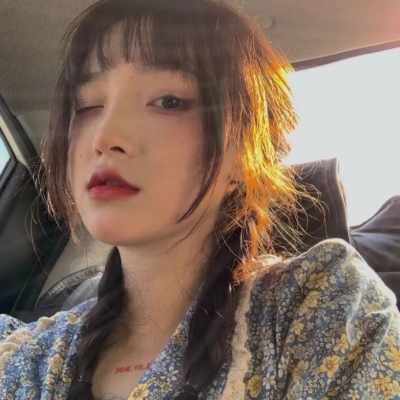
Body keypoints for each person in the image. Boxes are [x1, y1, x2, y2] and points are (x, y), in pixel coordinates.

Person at [1, 0, 399, 398]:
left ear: (243, 153)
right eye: (88, 105)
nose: (106, 137)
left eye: (169, 101)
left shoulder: (320, 313)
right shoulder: (27, 358)